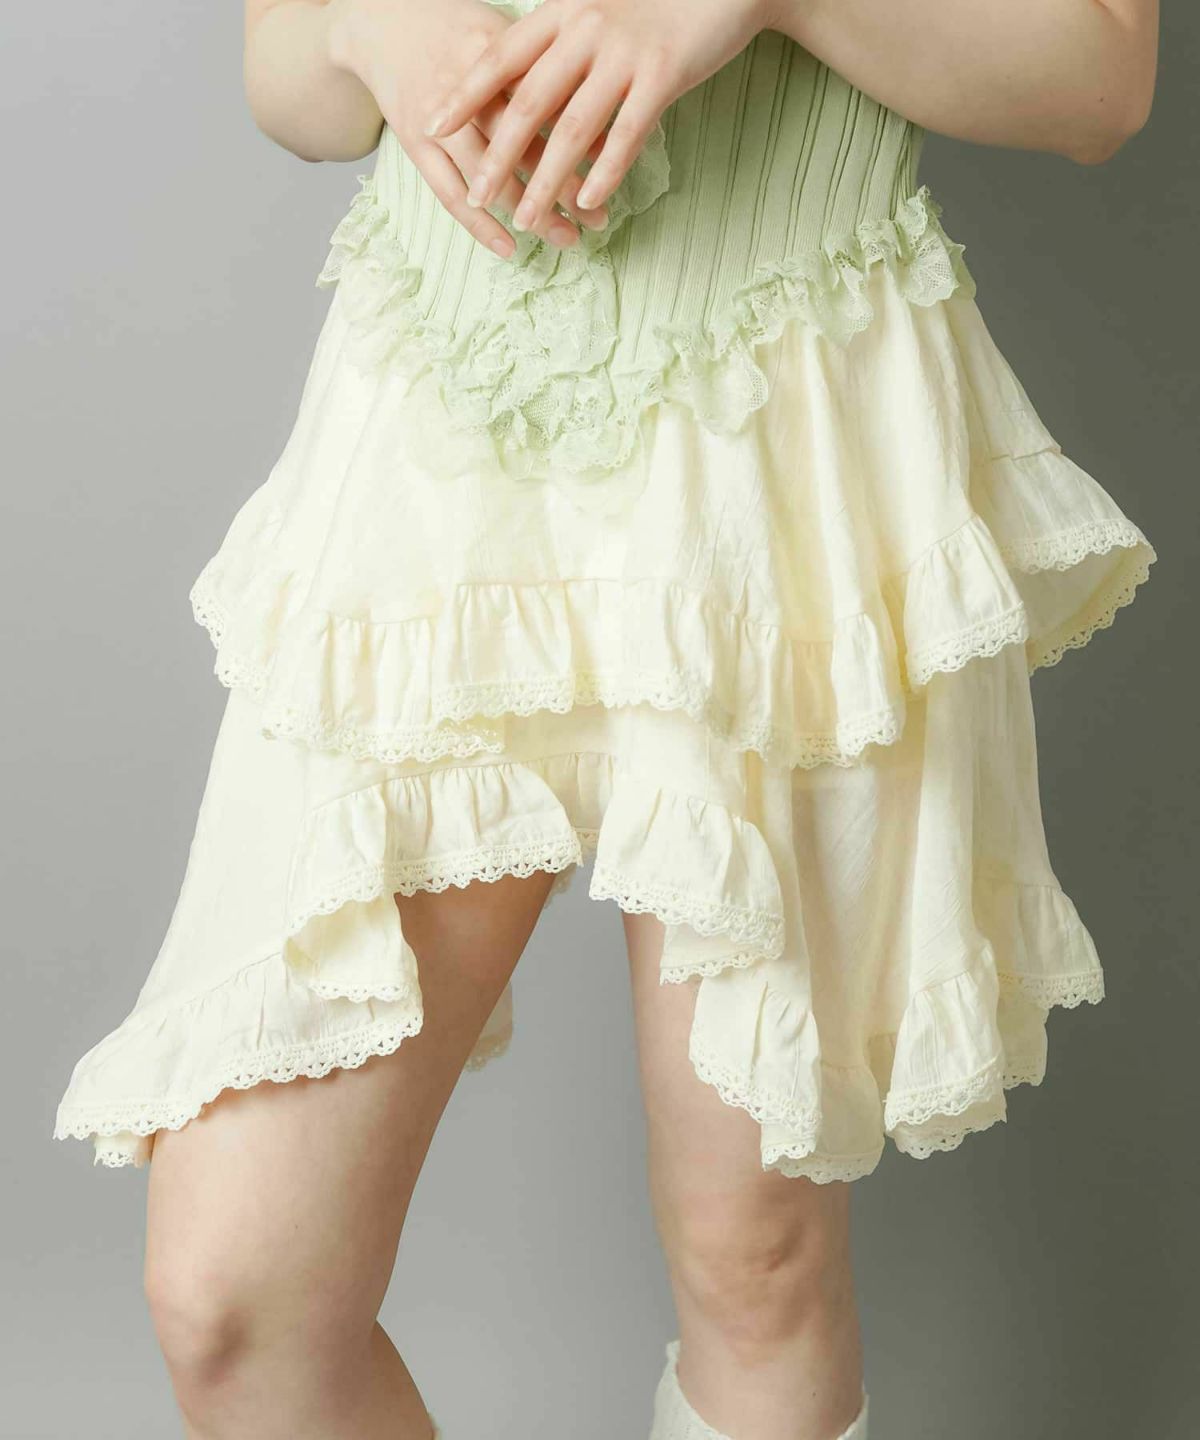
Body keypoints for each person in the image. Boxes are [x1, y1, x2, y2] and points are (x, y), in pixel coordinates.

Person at [54, 1, 1160, 1437]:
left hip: (779, 427)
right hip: (430, 436)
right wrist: (377, 30)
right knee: (236, 1298)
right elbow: (289, 78)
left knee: (754, 1263)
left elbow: (1097, 77)